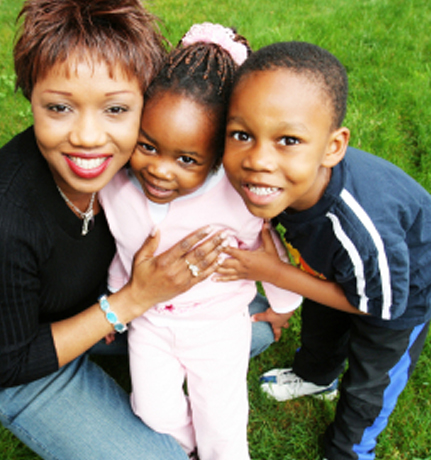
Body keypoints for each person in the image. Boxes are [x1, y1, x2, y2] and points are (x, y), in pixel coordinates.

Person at [0, 1, 234, 459]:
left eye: (115, 109)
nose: (89, 138)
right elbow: (9, 363)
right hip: (29, 366)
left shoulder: (142, 163)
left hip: (108, 311)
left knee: (239, 328)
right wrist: (130, 300)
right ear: (30, 98)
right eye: (59, 108)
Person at [218, 41, 431, 460]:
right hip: (337, 265)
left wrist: (275, 274)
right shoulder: (281, 185)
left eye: (288, 140)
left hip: (401, 283)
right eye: (242, 134)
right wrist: (286, 297)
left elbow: (374, 307)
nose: (258, 159)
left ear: (332, 147)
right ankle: (315, 375)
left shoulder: (362, 233)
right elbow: (301, 266)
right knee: (322, 320)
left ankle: (350, 449)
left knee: (371, 379)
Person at [97, 24, 302, 460]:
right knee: (152, 411)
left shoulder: (236, 195)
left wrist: (282, 306)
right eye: (148, 146)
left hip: (218, 327)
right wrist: (117, 304)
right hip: (150, 323)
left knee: (223, 423)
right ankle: (190, 449)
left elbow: (270, 251)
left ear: (216, 158)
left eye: (187, 159)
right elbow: (123, 250)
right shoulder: (116, 188)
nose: (160, 170)